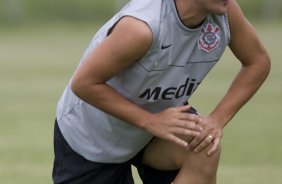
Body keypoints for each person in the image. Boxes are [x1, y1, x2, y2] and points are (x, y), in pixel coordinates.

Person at [52, 0, 271, 183]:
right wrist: (150, 120)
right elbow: (84, 83)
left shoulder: (225, 12)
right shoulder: (142, 27)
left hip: (156, 127)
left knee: (203, 146)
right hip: (92, 137)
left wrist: (217, 120)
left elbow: (258, 62)